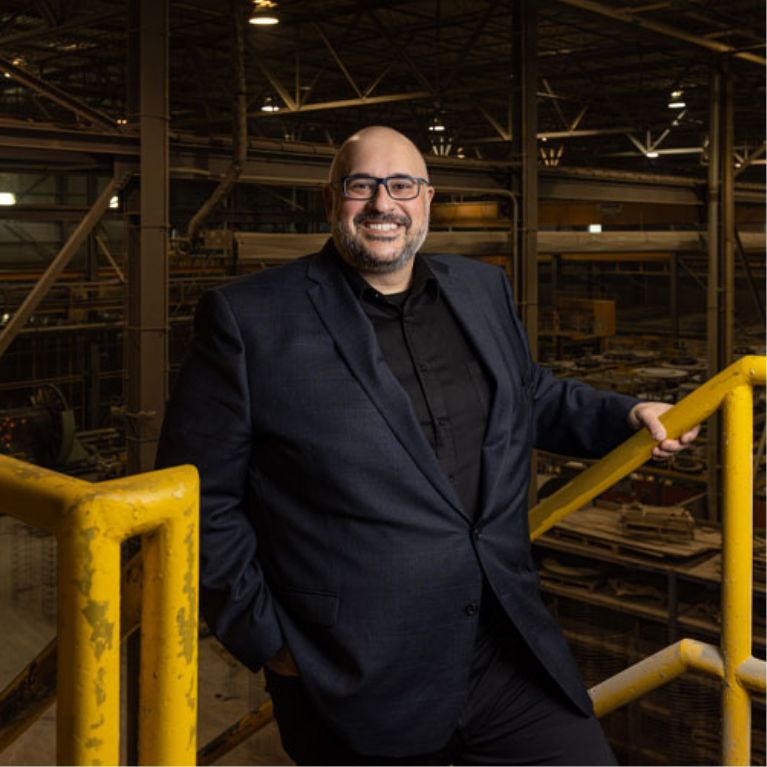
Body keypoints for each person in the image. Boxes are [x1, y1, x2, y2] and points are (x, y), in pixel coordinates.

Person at [156, 126, 699, 765]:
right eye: (362, 186)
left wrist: (629, 413)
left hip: (503, 650)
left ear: (428, 199)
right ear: (332, 200)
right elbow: (198, 499)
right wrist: (270, 641)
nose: (383, 203)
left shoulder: (480, 289)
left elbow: (528, 395)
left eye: (402, 186)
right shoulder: (249, 319)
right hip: (358, 676)